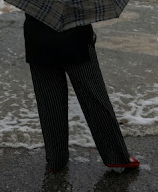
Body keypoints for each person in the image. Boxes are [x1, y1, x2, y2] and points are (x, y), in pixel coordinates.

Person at [23, 12, 139, 172]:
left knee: (49, 102)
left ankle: (56, 159)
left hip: (37, 38)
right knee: (94, 97)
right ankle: (117, 156)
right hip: (74, 36)